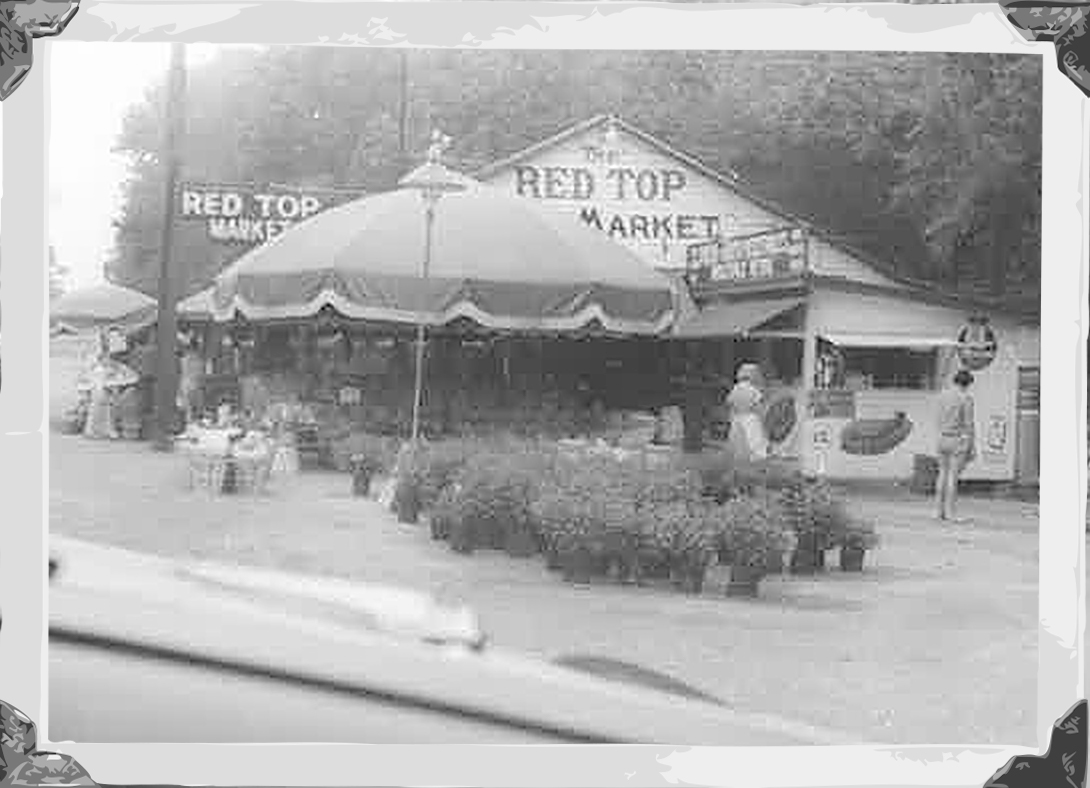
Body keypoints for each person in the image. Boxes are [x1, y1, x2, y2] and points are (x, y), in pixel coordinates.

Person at [935, 368, 976, 522]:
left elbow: (937, 418)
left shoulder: (942, 396)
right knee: (953, 476)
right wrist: (972, 446)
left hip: (941, 438)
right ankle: (951, 513)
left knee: (941, 474)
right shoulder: (966, 398)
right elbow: (969, 424)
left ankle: (938, 511)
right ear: (967, 384)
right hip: (957, 440)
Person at [726, 362, 768, 462]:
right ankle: (756, 456)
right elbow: (758, 404)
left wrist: (732, 415)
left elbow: (730, 402)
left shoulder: (736, 388)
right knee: (753, 438)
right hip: (750, 417)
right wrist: (761, 417)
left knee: (738, 438)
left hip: (738, 416)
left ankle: (739, 456)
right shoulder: (753, 389)